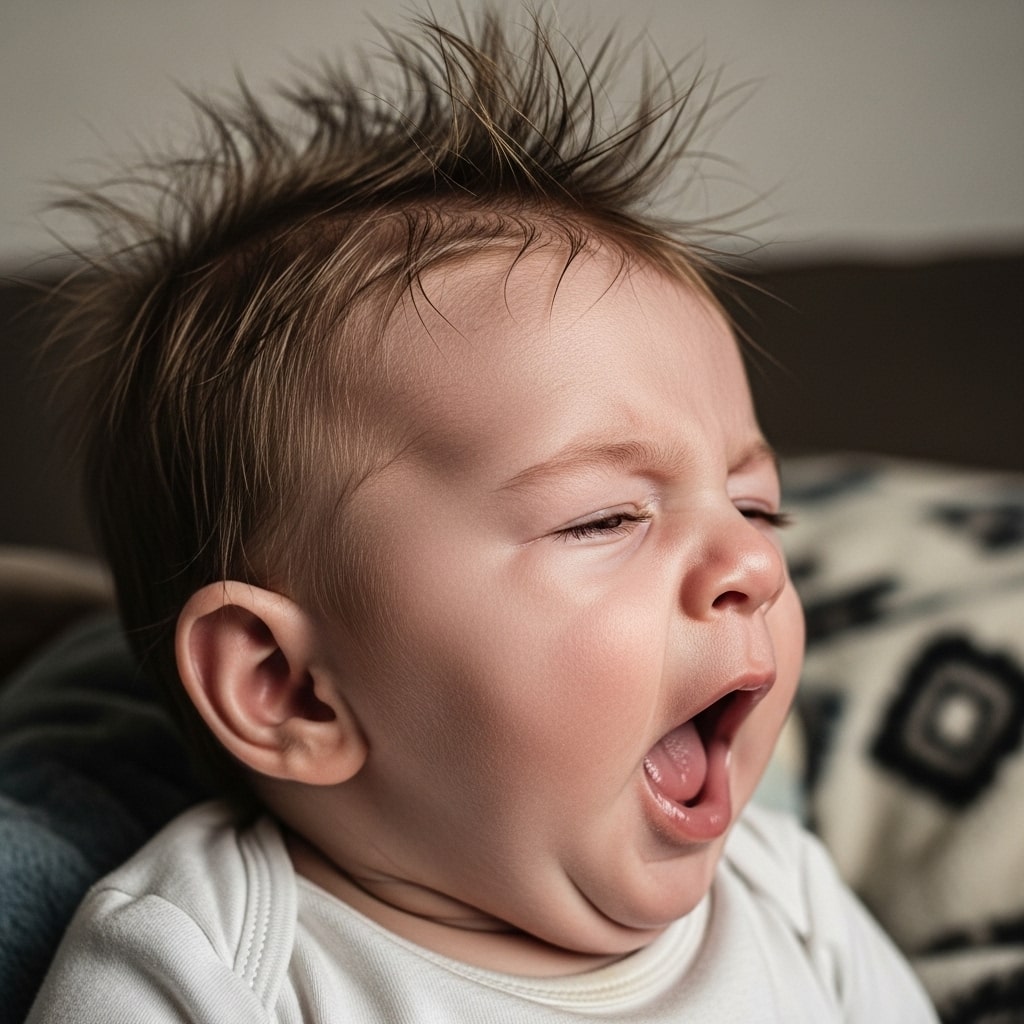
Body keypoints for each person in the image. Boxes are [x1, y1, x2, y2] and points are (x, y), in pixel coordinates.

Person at [28, 8, 937, 1021]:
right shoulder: (209, 963)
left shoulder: (788, 900)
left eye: (758, 507)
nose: (750, 563)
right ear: (288, 688)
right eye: (603, 519)